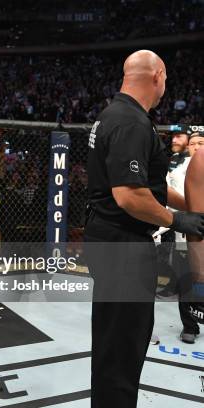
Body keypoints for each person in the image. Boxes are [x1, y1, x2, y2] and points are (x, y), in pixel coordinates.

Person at [85, 50, 204, 407]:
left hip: (112, 241)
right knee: (123, 347)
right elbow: (129, 196)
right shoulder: (131, 122)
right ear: (158, 75)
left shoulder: (117, 114)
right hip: (123, 248)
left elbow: (145, 186)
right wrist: (176, 220)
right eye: (166, 79)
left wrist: (190, 206)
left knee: (116, 344)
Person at [156, 129, 191, 299]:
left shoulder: (195, 161)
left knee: (183, 253)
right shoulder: (174, 159)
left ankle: (180, 287)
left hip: (188, 213)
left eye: (179, 136)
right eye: (173, 137)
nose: (174, 140)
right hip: (170, 211)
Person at [183, 130, 204, 341]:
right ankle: (189, 326)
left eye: (201, 142)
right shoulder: (174, 167)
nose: (197, 146)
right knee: (186, 280)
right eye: (194, 143)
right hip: (180, 228)